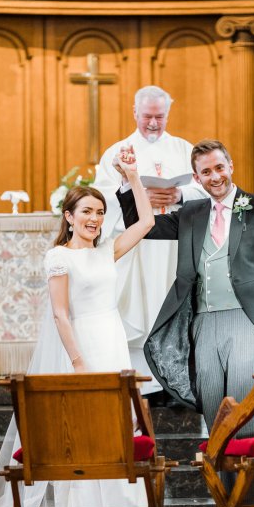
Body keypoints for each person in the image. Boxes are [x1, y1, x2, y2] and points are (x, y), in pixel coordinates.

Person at [117, 139, 254, 507]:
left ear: (230, 165)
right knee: (216, 424)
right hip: (204, 327)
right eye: (206, 172)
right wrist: (129, 181)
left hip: (248, 324)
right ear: (197, 178)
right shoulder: (191, 213)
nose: (215, 177)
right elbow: (143, 223)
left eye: (219, 168)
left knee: (245, 422)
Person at [0, 148, 155, 507]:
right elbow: (60, 314)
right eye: (87, 210)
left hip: (113, 342)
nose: (95, 219)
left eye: (100, 212)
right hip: (84, 347)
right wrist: (79, 362)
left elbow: (147, 222)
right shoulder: (59, 256)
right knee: (85, 433)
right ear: (68, 216)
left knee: (117, 431)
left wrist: (135, 177)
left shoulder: (107, 251)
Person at [94, 85, 207, 397]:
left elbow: (207, 189)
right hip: (137, 248)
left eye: (160, 116)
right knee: (137, 310)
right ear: (135, 113)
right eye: (147, 117)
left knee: (174, 310)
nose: (154, 123)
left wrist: (179, 194)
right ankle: (140, 382)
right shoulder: (117, 153)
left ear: (168, 114)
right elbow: (100, 198)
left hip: (174, 245)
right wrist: (134, 190)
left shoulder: (185, 150)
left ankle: (175, 384)